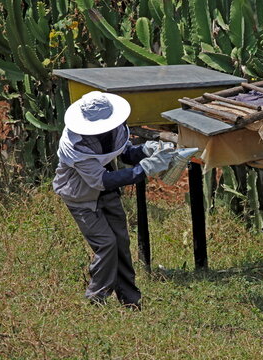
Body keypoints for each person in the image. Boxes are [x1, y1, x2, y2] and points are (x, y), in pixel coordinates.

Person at [53, 91, 174, 309]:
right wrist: (146, 169)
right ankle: (96, 298)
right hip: (81, 197)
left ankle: (130, 299)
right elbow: (102, 181)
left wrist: (146, 150)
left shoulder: (115, 128)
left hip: (107, 193)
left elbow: (123, 153)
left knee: (121, 242)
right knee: (106, 244)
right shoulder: (75, 145)